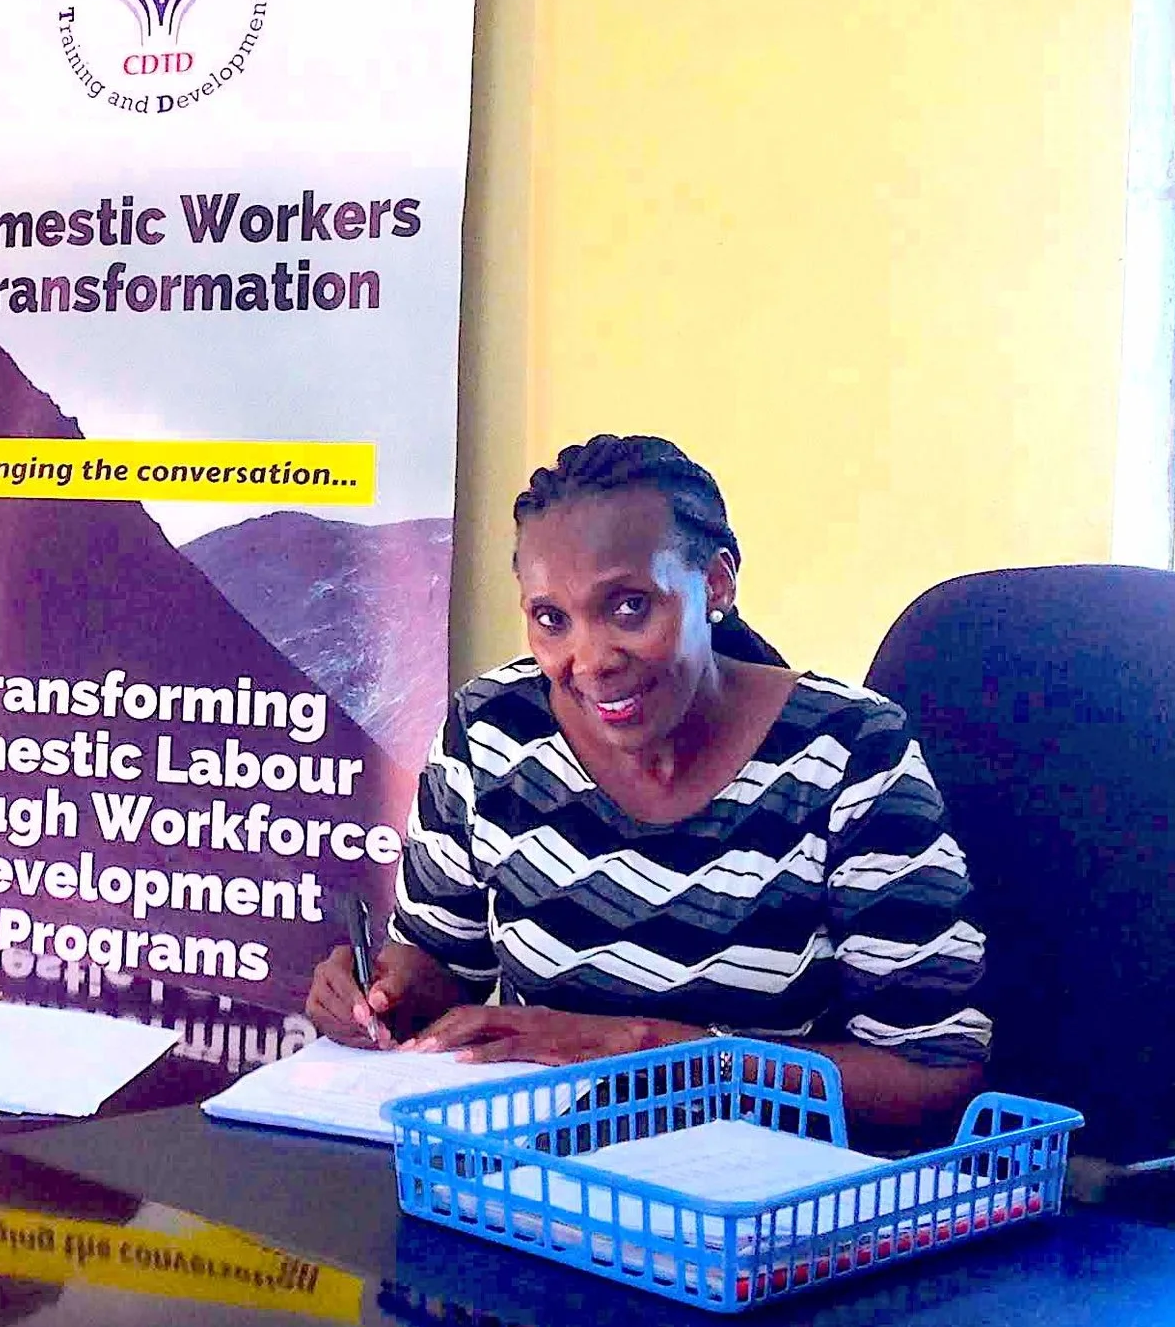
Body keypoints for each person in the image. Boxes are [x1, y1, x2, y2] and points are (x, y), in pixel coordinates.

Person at [307, 435, 989, 1136]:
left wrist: (658, 1051)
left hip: (755, 1200)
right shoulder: (492, 731)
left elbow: (937, 1074)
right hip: (525, 1179)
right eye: (551, 620)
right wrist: (383, 993)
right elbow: (439, 962)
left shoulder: (847, 752)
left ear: (716, 583)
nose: (591, 659)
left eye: (630, 607)